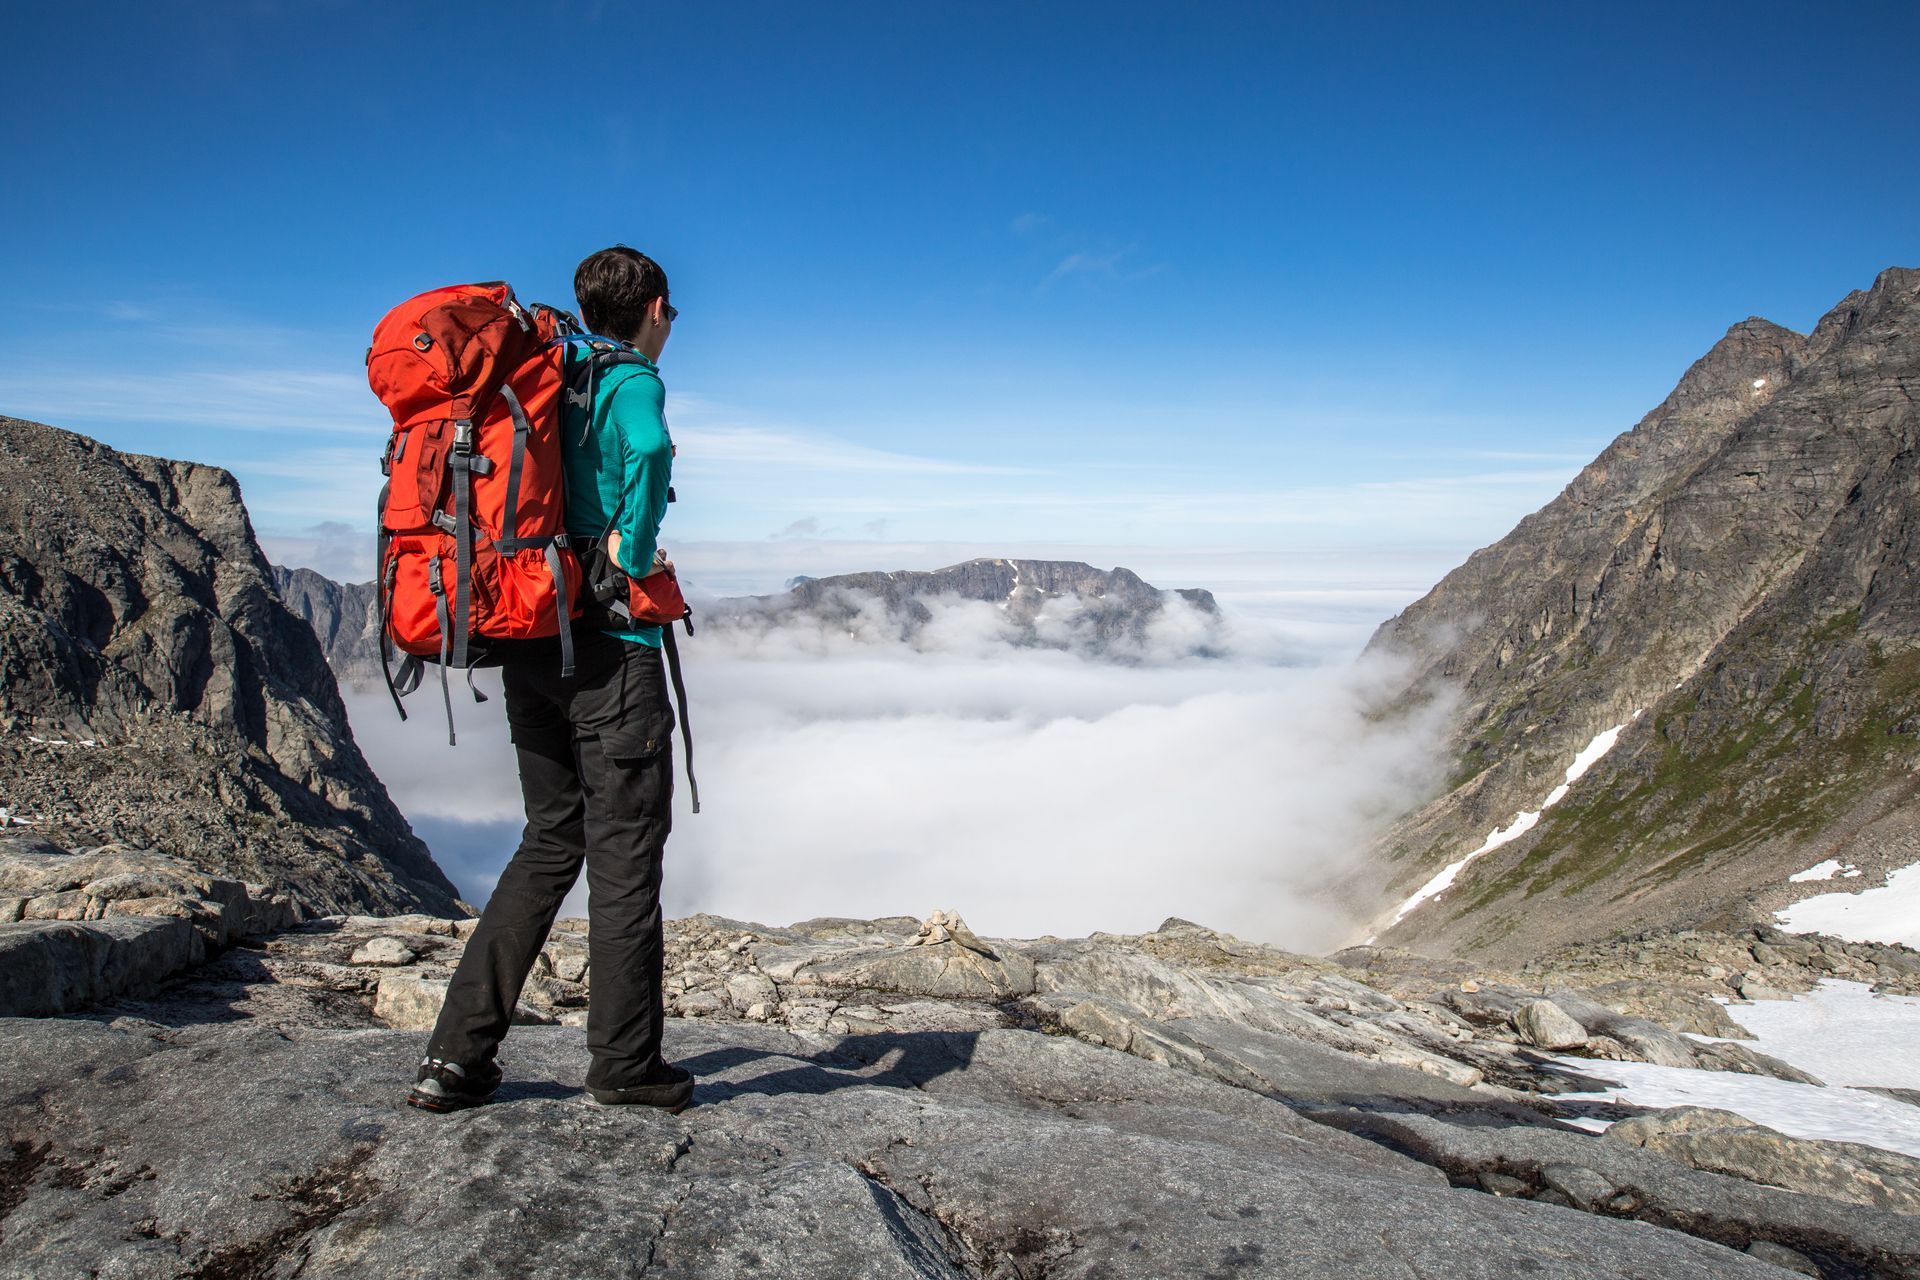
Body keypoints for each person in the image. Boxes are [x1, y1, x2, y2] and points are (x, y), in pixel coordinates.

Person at [408, 246, 691, 1112]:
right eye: (671, 311)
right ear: (649, 307)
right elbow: (647, 445)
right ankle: (624, 1066)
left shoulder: (545, 369)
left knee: (547, 843)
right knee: (624, 856)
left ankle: (456, 1057)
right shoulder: (630, 378)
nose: (671, 326)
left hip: (529, 634)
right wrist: (630, 551)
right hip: (611, 651)